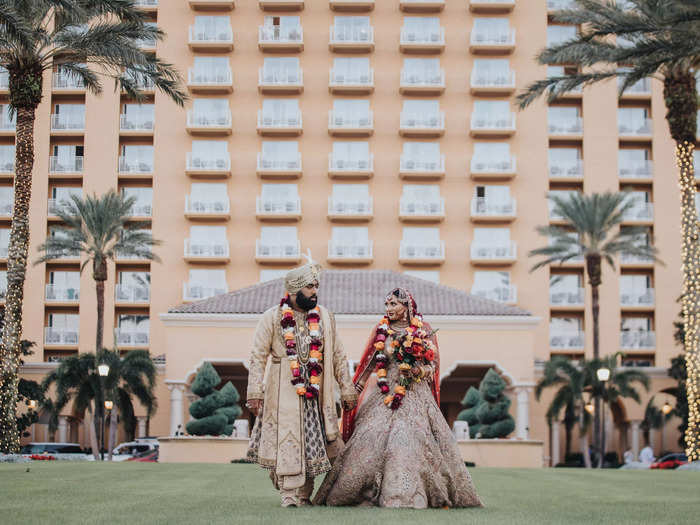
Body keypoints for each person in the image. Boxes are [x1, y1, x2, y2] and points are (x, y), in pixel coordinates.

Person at [313, 288, 483, 509]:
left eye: (393, 304)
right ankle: (360, 493)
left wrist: (416, 372)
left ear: (407, 306)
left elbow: (432, 366)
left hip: (415, 394)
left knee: (409, 435)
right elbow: (370, 364)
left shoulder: (423, 330)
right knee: (370, 434)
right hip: (384, 393)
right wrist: (353, 390)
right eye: (387, 305)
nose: (389, 309)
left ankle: (407, 495)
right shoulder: (381, 330)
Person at [246, 261, 357, 507]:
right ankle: (287, 494)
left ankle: (305, 494)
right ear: (294, 289)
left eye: (316, 286)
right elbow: (257, 356)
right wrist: (255, 391)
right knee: (287, 440)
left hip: (316, 393)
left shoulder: (325, 318)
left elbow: (338, 355)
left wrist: (347, 388)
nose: (315, 291)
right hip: (281, 391)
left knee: (312, 442)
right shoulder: (272, 317)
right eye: (309, 286)